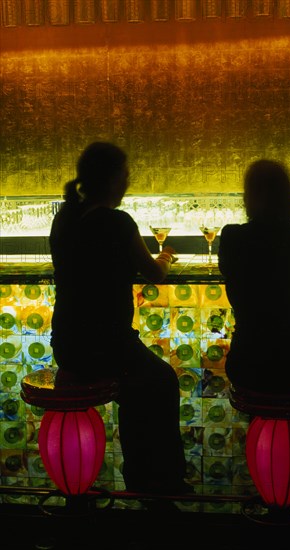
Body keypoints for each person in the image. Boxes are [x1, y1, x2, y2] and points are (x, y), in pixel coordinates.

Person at [49, 141, 191, 496]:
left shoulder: (64, 218)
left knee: (137, 386)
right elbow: (154, 274)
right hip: (107, 343)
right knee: (161, 380)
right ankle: (163, 481)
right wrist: (168, 257)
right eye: (125, 175)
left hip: (67, 344)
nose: (128, 182)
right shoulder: (117, 222)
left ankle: (138, 478)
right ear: (112, 179)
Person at [218, 159, 290, 394]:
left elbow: (227, 270)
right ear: (288, 197)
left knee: (259, 402)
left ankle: (259, 429)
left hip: (247, 362)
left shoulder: (231, 237)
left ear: (248, 196)